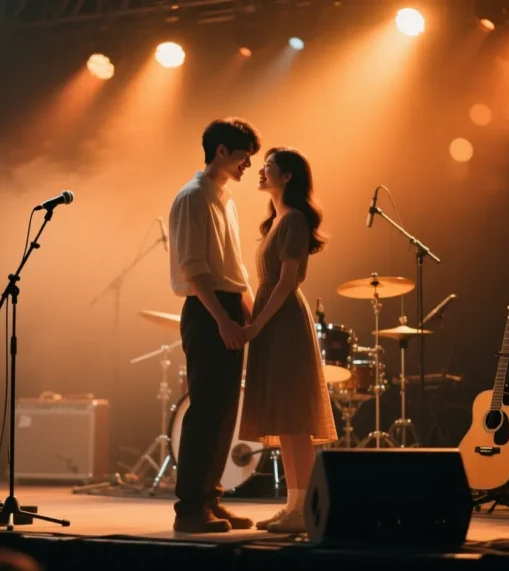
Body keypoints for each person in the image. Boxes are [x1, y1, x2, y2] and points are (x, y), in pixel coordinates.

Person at [167, 117, 261, 533]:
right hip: (208, 311)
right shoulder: (193, 197)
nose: (248, 165)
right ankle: (190, 509)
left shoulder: (226, 200)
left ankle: (210, 499)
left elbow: (234, 269)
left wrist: (251, 313)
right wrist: (223, 319)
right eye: (244, 156)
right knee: (205, 410)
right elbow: (195, 270)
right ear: (221, 151)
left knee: (225, 412)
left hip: (226, 306)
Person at [239, 147, 337, 533]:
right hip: (272, 319)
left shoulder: (294, 218)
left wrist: (257, 324)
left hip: (283, 321)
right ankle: (293, 505)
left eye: (267, 166)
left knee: (295, 419)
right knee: (284, 419)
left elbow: (287, 281)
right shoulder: (277, 221)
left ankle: (305, 508)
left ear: (287, 176)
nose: (260, 171)